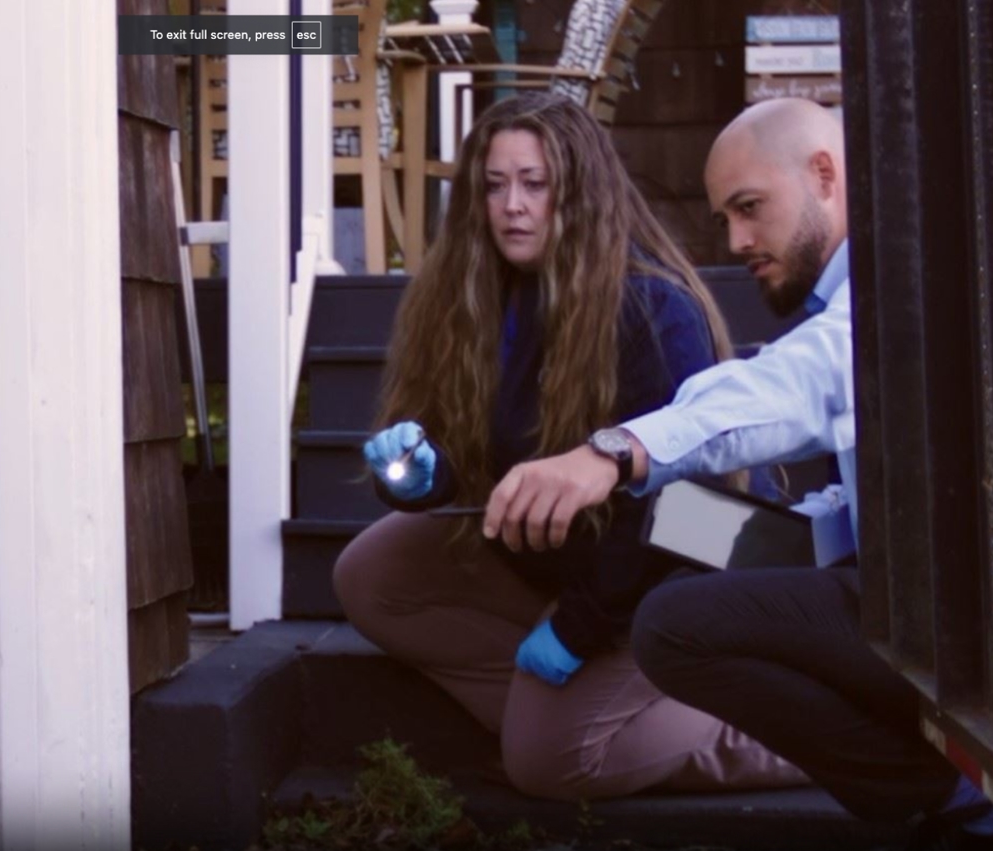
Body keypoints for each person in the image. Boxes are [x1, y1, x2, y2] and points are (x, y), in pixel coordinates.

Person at [481, 97, 993, 849]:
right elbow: (859, 495)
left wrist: (615, 451)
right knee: (711, 543)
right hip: (908, 586)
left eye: (750, 207)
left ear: (824, 174)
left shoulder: (898, 282)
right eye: (725, 216)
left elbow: (800, 382)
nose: (738, 239)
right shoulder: (857, 288)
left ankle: (948, 795)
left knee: (675, 619)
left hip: (960, 612)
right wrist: (767, 534)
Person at [331, 92, 805, 801]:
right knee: (371, 574)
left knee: (546, 764)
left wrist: (581, 628)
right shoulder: (484, 294)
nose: (511, 205)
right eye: (495, 185)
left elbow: (685, 513)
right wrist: (421, 476)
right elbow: (469, 453)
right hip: (572, 556)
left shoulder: (652, 306)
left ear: (577, 191)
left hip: (693, 562)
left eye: (535, 183)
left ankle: (802, 737)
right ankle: (565, 713)